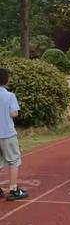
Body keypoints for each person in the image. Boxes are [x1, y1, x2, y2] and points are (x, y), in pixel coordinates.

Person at [0, 68, 29, 201]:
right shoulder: (10, 95)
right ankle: (13, 189)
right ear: (6, 80)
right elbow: (14, 113)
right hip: (7, 133)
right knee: (14, 161)